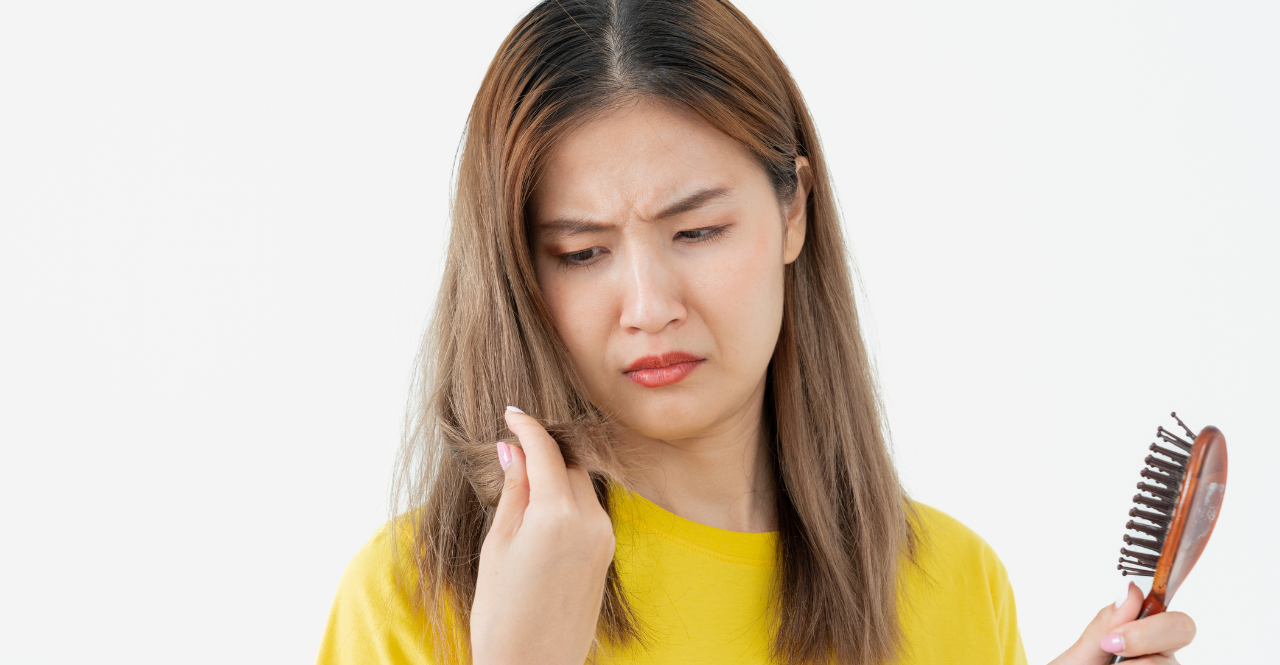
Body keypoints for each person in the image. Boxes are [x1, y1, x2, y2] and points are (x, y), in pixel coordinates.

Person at [316, 1, 1197, 663]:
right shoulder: (418, 599)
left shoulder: (955, 584)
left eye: (696, 233)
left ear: (793, 209)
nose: (650, 303)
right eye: (581, 252)